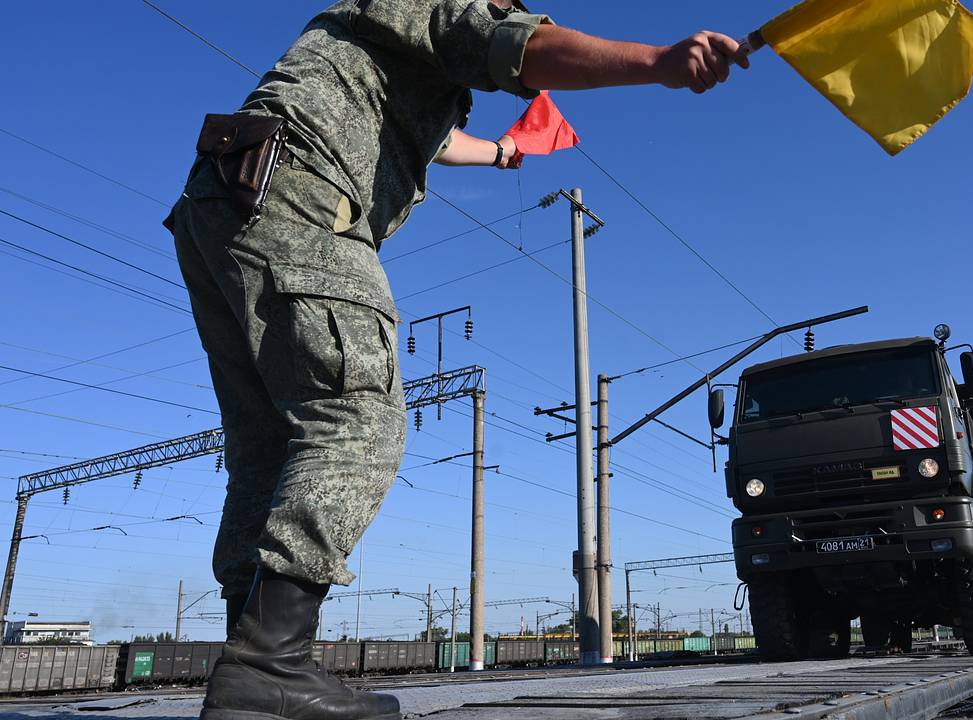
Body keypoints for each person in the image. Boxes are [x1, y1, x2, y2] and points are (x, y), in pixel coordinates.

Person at [166, 2, 748, 719]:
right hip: (302, 195)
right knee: (356, 418)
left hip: (226, 198)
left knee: (270, 446)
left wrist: (507, 152)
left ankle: (252, 676)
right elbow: (522, 48)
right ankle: (270, 663)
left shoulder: (391, 47)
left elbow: (439, 141)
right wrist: (659, 63)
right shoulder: (445, 5)